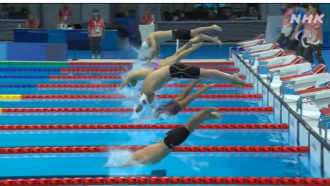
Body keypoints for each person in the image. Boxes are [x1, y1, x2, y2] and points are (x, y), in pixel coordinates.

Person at [102, 107, 222, 168]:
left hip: (170, 142)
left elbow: (129, 164)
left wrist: (120, 167)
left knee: (188, 128)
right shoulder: (139, 153)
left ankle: (203, 114)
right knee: (188, 127)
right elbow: (130, 160)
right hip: (167, 138)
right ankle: (206, 116)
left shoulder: (143, 160)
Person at [135, 58, 245, 113]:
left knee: (209, 73)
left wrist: (143, 108)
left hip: (175, 70)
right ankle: (231, 80)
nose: (153, 101)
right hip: (173, 70)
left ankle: (232, 79)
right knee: (208, 73)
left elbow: (147, 102)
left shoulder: (149, 91)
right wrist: (140, 107)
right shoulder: (146, 89)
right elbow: (143, 104)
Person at [120, 37, 203, 90]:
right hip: (156, 67)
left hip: (157, 69)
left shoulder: (132, 75)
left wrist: (119, 89)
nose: (135, 85)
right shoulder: (136, 75)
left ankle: (193, 47)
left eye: (133, 84)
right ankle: (189, 43)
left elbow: (124, 82)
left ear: (131, 82)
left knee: (177, 57)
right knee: (175, 56)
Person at [141, 24, 223, 66]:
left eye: (149, 45)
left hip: (176, 33)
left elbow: (154, 49)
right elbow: (156, 50)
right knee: (198, 35)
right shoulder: (154, 40)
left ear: (147, 42)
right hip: (176, 35)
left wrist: (149, 60)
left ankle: (212, 27)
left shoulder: (151, 36)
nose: (151, 45)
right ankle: (213, 39)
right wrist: (150, 57)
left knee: (196, 31)